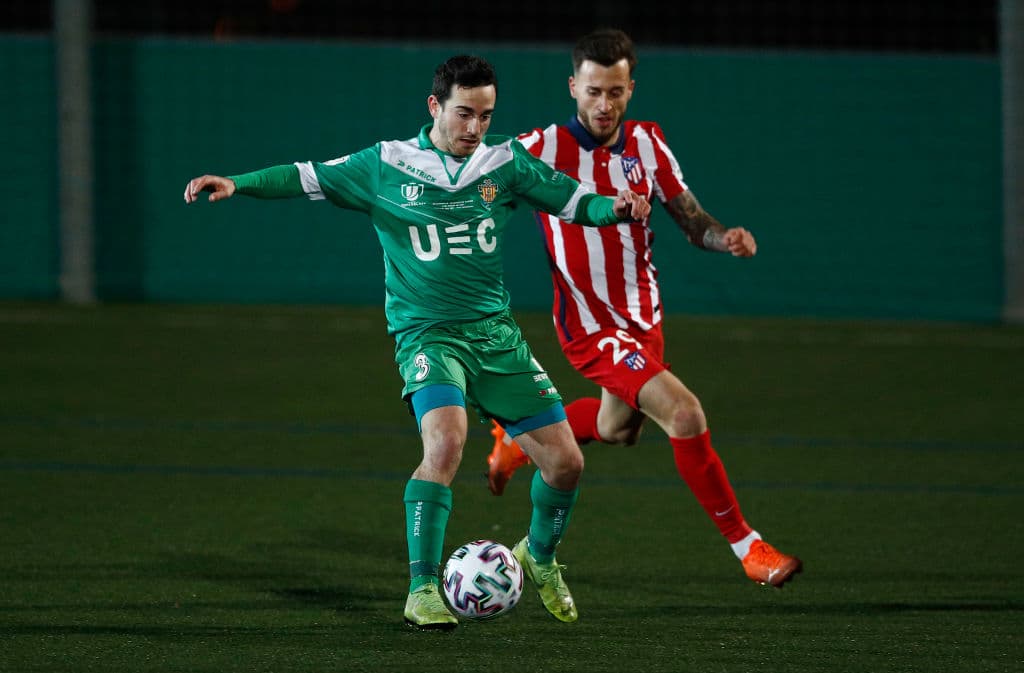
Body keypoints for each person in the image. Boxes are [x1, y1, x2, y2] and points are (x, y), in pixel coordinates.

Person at [183, 54, 651, 630]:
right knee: (447, 443)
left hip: (495, 337)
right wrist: (237, 183)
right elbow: (305, 176)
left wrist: (618, 209)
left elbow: (576, 201)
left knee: (566, 463)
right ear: (434, 107)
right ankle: (423, 588)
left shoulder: (504, 161)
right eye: (463, 114)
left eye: (485, 115)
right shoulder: (385, 163)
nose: (474, 127)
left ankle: (540, 557)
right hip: (428, 336)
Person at [486, 29, 802, 588]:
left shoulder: (649, 144)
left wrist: (723, 238)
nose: (603, 105)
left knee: (616, 430)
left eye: (615, 92)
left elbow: (691, 220)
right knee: (684, 414)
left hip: (643, 321)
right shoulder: (540, 149)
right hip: (591, 328)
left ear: (631, 88)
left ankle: (518, 439)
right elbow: (480, 177)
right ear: (572, 88)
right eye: (592, 92)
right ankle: (749, 548)